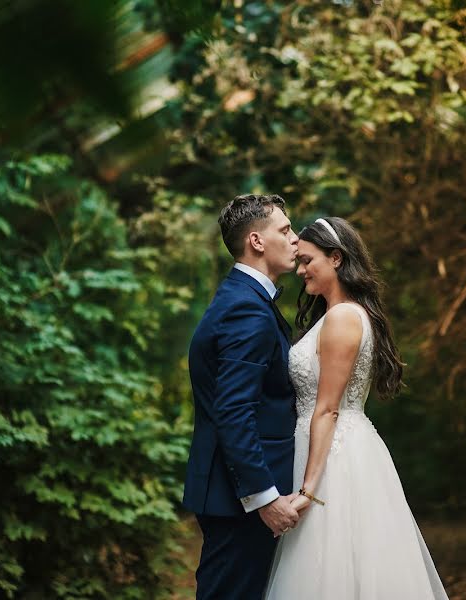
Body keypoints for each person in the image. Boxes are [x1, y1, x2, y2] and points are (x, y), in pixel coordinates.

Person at [264, 216, 449, 599]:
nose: (300, 271)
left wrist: (309, 490)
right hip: (324, 448)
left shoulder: (343, 318)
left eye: (307, 261)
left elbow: (328, 408)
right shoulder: (335, 315)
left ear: (336, 258)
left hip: (334, 460)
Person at [183, 194, 302, 600]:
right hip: (239, 499)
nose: (295, 239)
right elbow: (234, 412)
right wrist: (263, 497)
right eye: (285, 230)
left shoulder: (242, 299)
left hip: (233, 493)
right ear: (256, 241)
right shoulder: (245, 311)